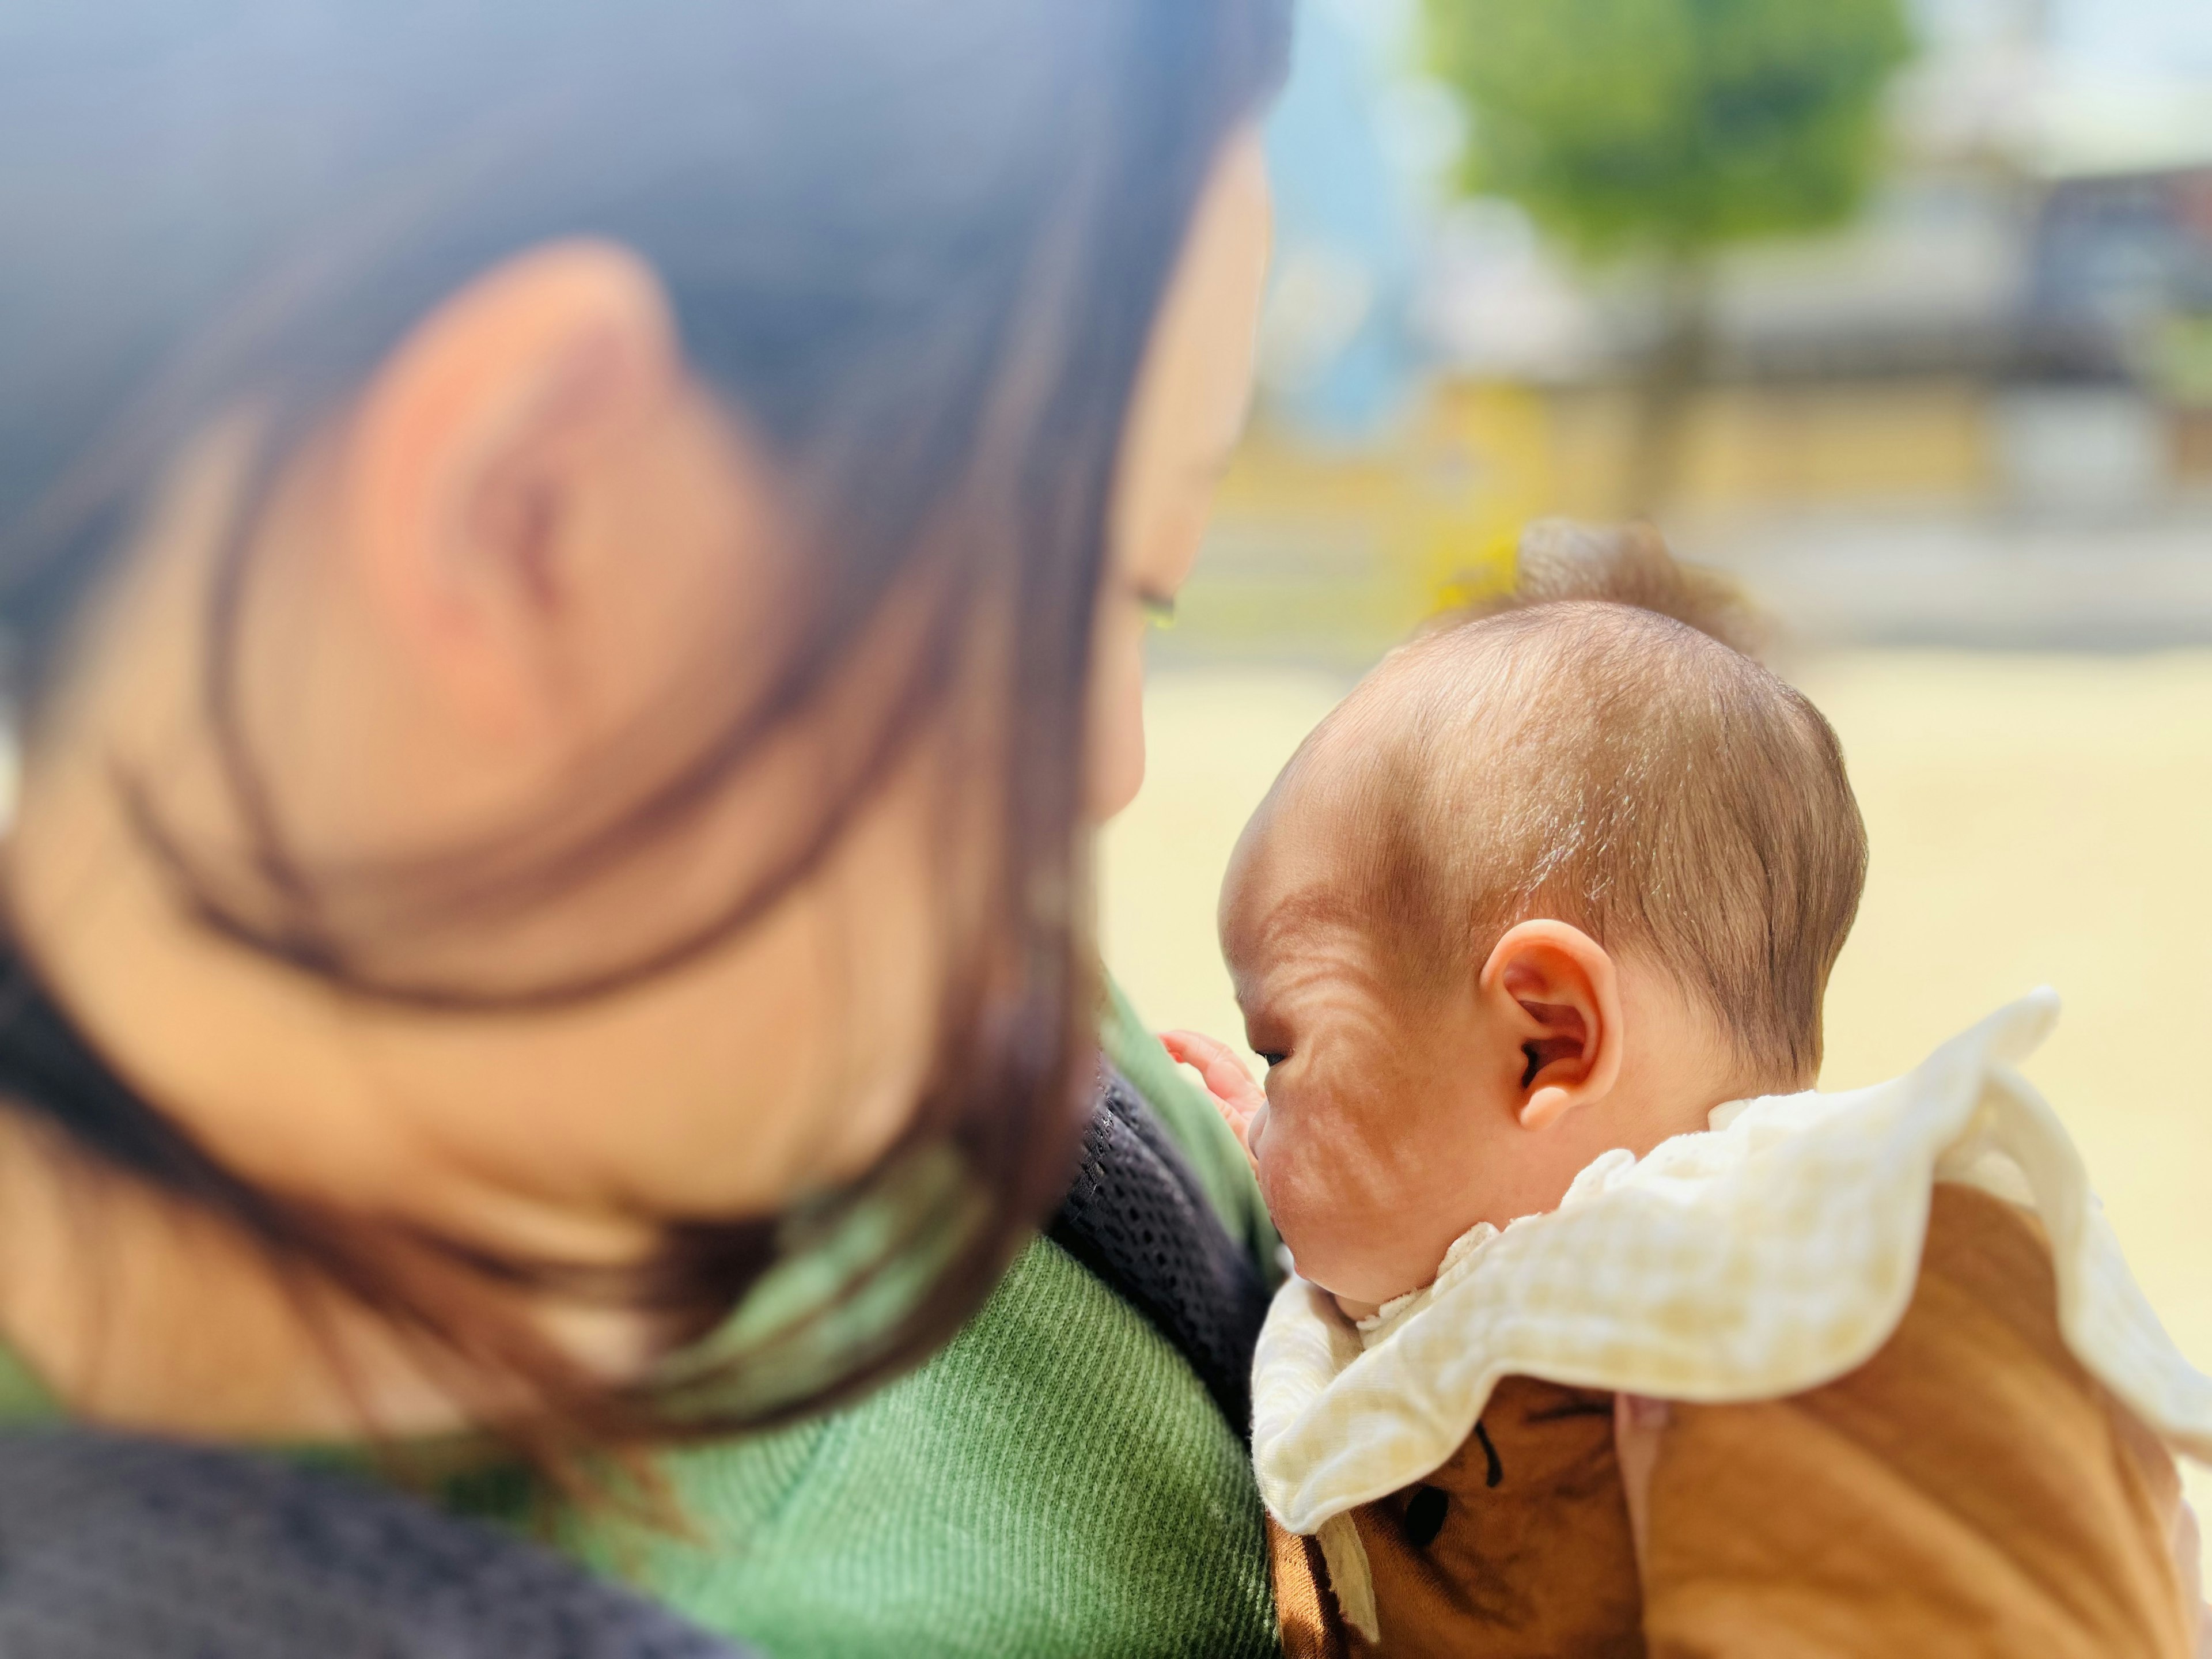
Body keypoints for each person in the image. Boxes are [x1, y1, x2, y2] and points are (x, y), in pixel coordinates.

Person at [0, 2, 1293, 1653]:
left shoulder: (958, 1042)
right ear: (530, 506)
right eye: (1076, 589)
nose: (1106, 764)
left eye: (1154, 605)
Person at [1165, 524, 2212, 1656]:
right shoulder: (1542, 1308)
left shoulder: (1819, 1312)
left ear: (1546, 1042)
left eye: (1280, 1048)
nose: (1259, 1112)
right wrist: (1283, 1136)